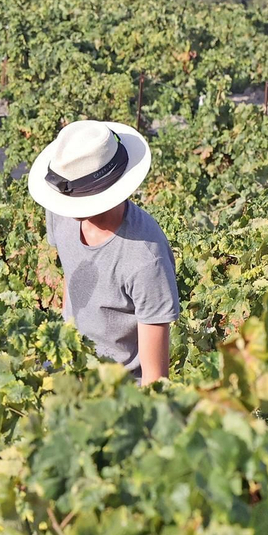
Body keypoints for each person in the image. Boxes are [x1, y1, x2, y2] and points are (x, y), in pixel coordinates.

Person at [29, 120, 179, 385]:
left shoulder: (145, 258)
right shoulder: (62, 209)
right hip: (69, 364)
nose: (68, 208)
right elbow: (72, 271)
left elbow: (155, 380)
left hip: (117, 391)